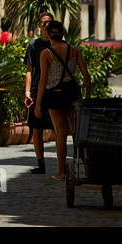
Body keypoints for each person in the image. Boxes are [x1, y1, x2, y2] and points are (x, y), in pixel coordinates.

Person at [34, 20, 91, 181]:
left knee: (61, 134)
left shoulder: (46, 53)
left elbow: (43, 80)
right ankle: (87, 170)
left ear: (48, 34)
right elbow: (86, 74)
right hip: (73, 94)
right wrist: (88, 95)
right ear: (63, 33)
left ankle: (61, 172)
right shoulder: (74, 50)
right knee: (78, 132)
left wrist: (38, 104)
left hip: (55, 95)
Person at [22, 12, 55, 174]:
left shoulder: (58, 44)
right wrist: (27, 91)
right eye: (43, 23)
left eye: (49, 23)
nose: (46, 26)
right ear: (39, 25)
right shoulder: (33, 45)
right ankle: (40, 162)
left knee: (60, 127)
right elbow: (29, 70)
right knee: (37, 127)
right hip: (36, 89)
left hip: (55, 88)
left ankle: (65, 163)